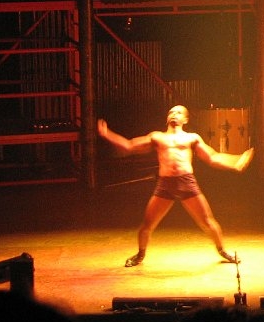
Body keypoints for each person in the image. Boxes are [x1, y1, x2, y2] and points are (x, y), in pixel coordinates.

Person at [97, 104, 254, 268]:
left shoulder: (192, 138)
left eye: (179, 112)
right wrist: (107, 134)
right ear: (167, 118)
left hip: (186, 182)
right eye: (171, 112)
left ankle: (222, 251)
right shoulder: (157, 137)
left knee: (207, 221)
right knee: (147, 225)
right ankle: (140, 254)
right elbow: (129, 145)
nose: (174, 114)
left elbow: (212, 157)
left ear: (185, 119)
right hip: (165, 185)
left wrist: (235, 162)